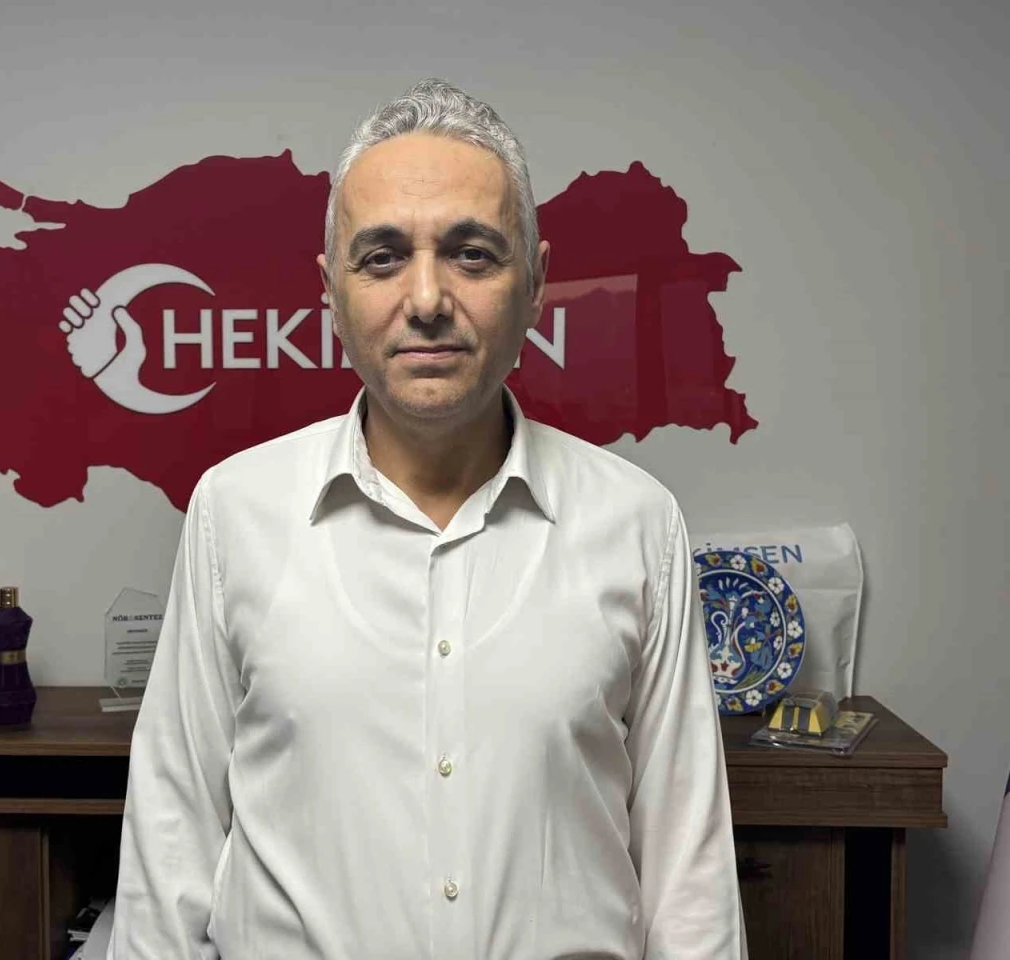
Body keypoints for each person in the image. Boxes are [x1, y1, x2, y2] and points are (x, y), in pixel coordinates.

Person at [107, 78, 746, 959]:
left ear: (536, 282)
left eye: (472, 255)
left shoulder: (637, 522)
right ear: (331, 292)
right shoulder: (235, 511)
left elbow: (689, 880)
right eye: (382, 258)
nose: (428, 299)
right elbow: (170, 838)